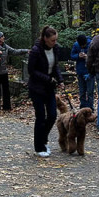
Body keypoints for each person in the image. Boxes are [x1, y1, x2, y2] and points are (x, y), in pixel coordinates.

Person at [26, 26, 64, 157]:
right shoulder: (36, 50)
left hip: (49, 88)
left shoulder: (55, 49)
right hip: (36, 88)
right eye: (52, 40)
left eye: (56, 40)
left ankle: (43, 139)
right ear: (45, 38)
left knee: (52, 115)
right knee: (41, 117)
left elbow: (55, 66)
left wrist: (60, 79)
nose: (54, 42)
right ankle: (39, 147)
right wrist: (47, 78)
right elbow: (31, 71)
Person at [0, 31, 29, 111]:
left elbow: (14, 51)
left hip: (4, 72)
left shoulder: (5, 46)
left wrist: (26, 50)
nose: (3, 37)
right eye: (2, 36)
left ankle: (7, 107)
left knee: (6, 90)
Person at [71, 34, 94, 110]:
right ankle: (83, 107)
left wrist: (87, 57)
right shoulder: (76, 45)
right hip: (80, 71)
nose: (82, 47)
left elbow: (95, 56)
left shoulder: (91, 44)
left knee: (90, 92)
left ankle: (90, 107)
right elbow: (72, 56)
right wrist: (78, 56)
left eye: (83, 45)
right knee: (82, 92)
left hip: (89, 71)